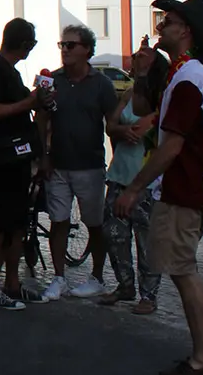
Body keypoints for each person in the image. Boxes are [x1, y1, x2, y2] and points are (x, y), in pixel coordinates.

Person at [116, 0, 203, 375]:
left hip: (184, 187)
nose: (160, 26)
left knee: (184, 271)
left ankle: (202, 358)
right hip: (189, 185)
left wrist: (134, 187)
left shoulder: (188, 78)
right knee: (184, 268)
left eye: (168, 21)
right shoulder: (190, 72)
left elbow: (173, 146)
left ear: (185, 31)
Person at [40, 24, 131, 301]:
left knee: (95, 224)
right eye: (62, 45)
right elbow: (41, 119)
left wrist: (118, 163)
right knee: (58, 222)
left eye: (70, 45)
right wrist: (43, 156)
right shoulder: (52, 81)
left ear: (87, 50)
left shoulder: (101, 84)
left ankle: (97, 277)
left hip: (90, 165)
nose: (64, 50)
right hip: (58, 165)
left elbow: (113, 122)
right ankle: (59, 278)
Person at [0, 18, 49, 310]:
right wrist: (28, 103)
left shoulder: (9, 72)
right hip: (1, 160)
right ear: (25, 44)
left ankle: (12, 285)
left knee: (18, 224)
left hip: (17, 159)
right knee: (2, 224)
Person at [101, 40, 167, 314]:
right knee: (114, 232)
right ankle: (125, 283)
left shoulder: (163, 96)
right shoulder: (129, 93)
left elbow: (150, 127)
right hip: (120, 172)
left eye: (143, 56)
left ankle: (148, 295)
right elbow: (111, 125)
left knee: (147, 238)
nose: (136, 59)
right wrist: (121, 131)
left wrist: (134, 128)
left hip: (148, 177)